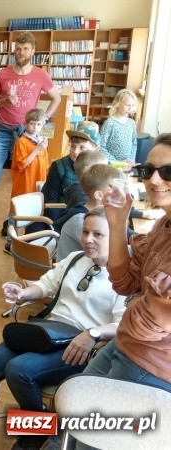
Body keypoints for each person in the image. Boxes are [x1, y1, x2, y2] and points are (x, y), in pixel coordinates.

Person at [0, 208, 126, 450]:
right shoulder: (76, 259)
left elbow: (122, 326)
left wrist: (93, 333)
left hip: (82, 344)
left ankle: (38, 429)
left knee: (19, 369)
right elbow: (46, 285)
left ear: (117, 237)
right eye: (86, 231)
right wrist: (24, 293)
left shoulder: (124, 277)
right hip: (49, 332)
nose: (88, 239)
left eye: (98, 234)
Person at [84, 133, 171, 394]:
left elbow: (148, 325)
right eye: (148, 170)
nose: (154, 180)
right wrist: (117, 222)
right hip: (124, 343)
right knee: (70, 419)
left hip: (154, 364)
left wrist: (137, 303)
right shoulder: (162, 225)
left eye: (167, 171)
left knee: (88, 430)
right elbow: (125, 283)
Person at [0, 31, 61, 235]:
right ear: (14, 50)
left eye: (25, 49)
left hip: (27, 133)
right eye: (18, 48)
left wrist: (44, 118)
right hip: (2, 129)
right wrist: (4, 101)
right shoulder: (2, 74)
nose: (21, 52)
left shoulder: (40, 74)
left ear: (32, 51)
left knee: (22, 179)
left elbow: (56, 98)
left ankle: (11, 220)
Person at [3, 108, 50, 252]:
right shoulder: (22, 142)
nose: (35, 127)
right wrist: (37, 150)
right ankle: (10, 243)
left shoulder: (42, 141)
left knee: (35, 214)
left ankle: (28, 241)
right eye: (32, 124)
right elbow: (22, 164)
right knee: (16, 214)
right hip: (24, 184)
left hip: (37, 185)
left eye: (38, 124)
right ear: (26, 123)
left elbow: (45, 164)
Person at [56, 164, 123, 260]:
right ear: (99, 195)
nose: (120, 194)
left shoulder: (98, 214)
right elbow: (114, 248)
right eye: (114, 191)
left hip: (89, 266)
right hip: (73, 271)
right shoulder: (82, 221)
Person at [39, 124, 100, 222]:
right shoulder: (58, 167)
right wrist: (57, 229)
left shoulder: (104, 166)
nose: (75, 152)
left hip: (93, 222)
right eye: (73, 146)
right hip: (62, 220)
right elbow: (50, 203)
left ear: (96, 148)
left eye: (82, 148)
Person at [99, 89, 138, 164]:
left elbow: (134, 143)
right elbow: (101, 146)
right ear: (118, 104)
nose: (130, 108)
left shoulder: (131, 123)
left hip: (127, 165)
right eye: (127, 105)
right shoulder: (109, 123)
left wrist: (132, 159)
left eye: (132, 105)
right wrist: (116, 162)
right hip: (112, 166)